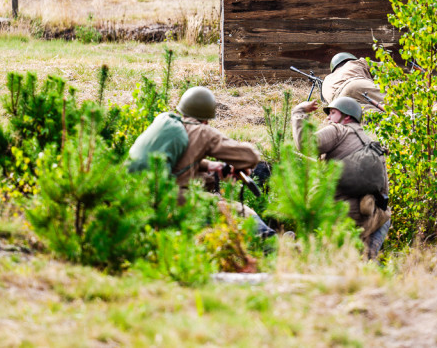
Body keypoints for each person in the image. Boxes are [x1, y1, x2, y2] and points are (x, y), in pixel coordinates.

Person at [128, 86, 277, 237]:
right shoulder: (202, 132)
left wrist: (209, 164)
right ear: (206, 119)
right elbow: (250, 157)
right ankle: (271, 245)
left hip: (141, 196)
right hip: (175, 201)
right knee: (239, 210)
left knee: (208, 180)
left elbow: (175, 160)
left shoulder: (167, 123)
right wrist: (240, 163)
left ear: (182, 110)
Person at [292, 96, 391, 259]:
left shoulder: (338, 130)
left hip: (337, 220)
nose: (328, 118)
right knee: (363, 262)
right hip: (372, 221)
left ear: (347, 116)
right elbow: (384, 190)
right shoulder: (372, 145)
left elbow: (305, 144)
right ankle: (369, 261)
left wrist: (299, 112)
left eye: (332, 113)